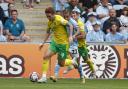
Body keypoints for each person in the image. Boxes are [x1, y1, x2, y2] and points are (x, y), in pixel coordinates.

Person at [38, 7, 78, 83]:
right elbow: (48, 32)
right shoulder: (50, 22)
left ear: (54, 14)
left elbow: (70, 25)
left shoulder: (59, 19)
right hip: (55, 43)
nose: (48, 18)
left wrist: (70, 36)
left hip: (63, 44)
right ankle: (43, 77)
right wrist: (43, 43)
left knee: (61, 63)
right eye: (47, 16)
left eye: (49, 16)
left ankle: (72, 62)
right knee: (45, 56)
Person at [51, 9, 85, 83]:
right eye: (64, 16)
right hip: (64, 44)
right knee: (59, 60)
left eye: (67, 16)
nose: (66, 18)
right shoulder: (62, 21)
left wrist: (73, 36)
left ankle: (82, 76)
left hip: (73, 44)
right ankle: (55, 76)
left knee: (77, 63)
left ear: (69, 15)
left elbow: (79, 30)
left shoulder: (73, 22)